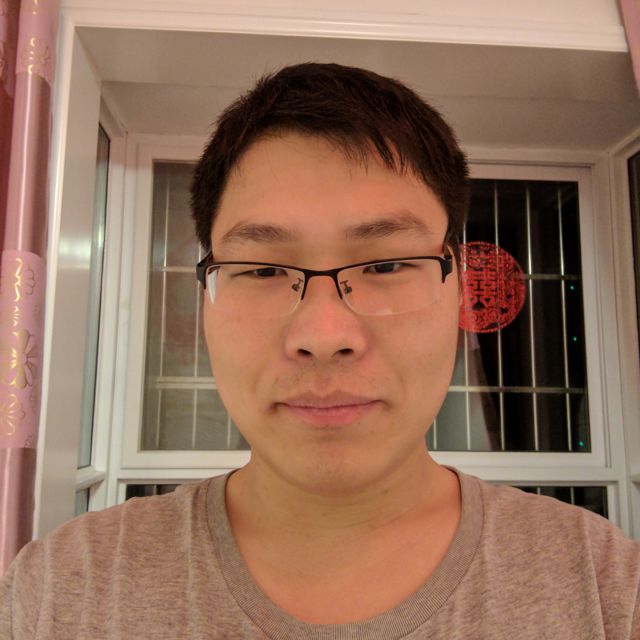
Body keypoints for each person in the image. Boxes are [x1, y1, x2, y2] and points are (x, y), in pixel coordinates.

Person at [1, 62, 639, 639]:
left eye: (385, 264)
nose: (325, 335)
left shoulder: (605, 586)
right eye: (262, 269)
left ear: (459, 289)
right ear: (207, 303)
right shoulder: (60, 588)